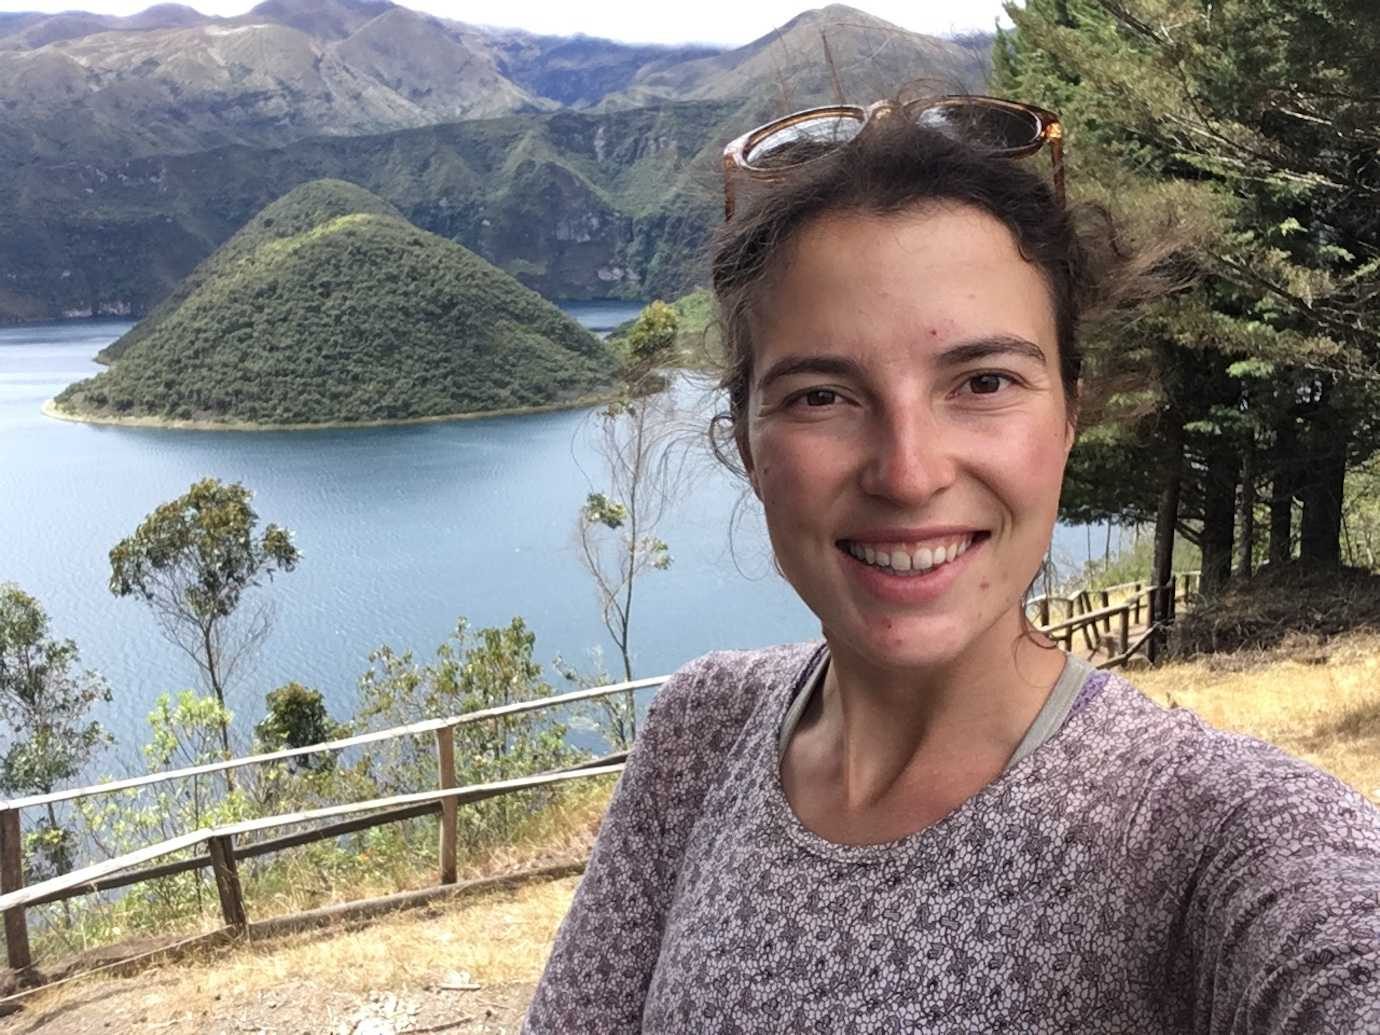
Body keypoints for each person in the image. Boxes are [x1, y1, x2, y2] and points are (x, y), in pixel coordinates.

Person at [522, 94, 1380, 1033]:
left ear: (1069, 416)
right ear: (747, 439)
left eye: (983, 382)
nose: (909, 471)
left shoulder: (1206, 833)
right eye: (821, 396)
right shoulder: (701, 734)